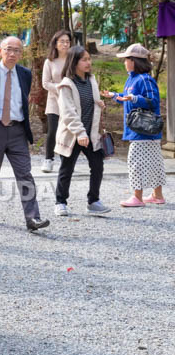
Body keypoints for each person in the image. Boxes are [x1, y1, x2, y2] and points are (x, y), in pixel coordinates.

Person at [0, 36, 50, 231]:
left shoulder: (25, 74)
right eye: (9, 49)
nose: (13, 54)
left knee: (25, 174)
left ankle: (33, 218)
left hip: (17, 130)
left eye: (17, 50)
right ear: (0, 51)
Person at [104, 44, 166, 207]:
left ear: (135, 61)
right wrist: (114, 96)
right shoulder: (131, 78)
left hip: (143, 130)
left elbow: (153, 101)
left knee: (135, 161)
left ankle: (137, 197)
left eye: (126, 59)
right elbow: (128, 97)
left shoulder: (145, 79)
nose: (124, 62)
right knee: (154, 162)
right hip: (140, 130)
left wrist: (133, 98)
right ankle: (157, 195)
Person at [53, 45, 111, 217]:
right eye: (84, 59)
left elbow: (90, 102)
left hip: (91, 134)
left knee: (98, 166)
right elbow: (68, 111)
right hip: (73, 135)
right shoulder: (66, 84)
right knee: (66, 169)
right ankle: (60, 202)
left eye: (89, 59)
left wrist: (99, 103)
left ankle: (93, 201)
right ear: (74, 62)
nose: (88, 62)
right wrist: (80, 133)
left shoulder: (91, 80)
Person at [40, 30, 72, 174]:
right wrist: (60, 89)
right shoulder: (50, 61)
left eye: (67, 41)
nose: (65, 44)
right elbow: (45, 83)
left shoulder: (74, 59)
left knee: (69, 131)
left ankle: (66, 160)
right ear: (56, 43)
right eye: (62, 41)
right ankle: (49, 159)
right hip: (54, 100)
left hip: (71, 101)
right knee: (52, 131)